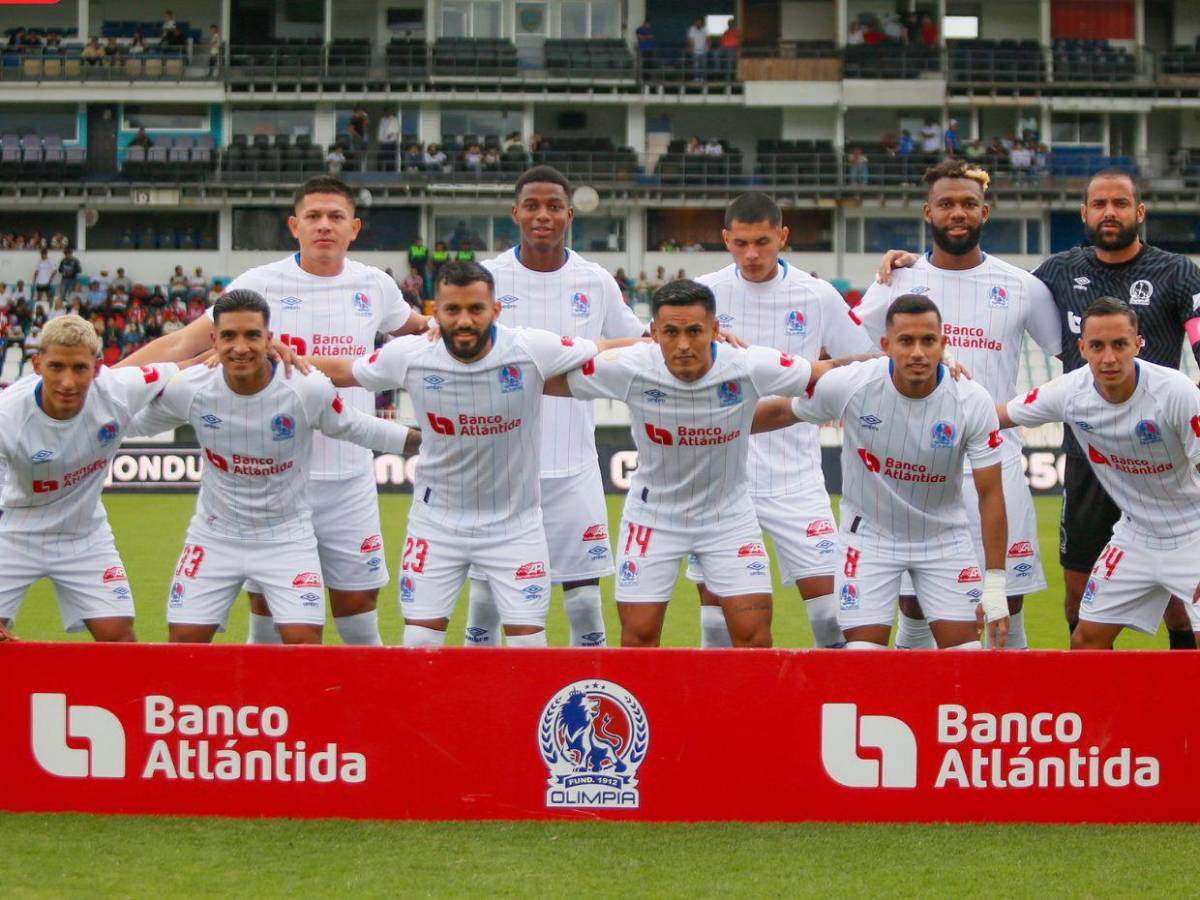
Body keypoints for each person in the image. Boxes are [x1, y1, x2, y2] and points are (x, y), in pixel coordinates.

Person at [877, 167, 1200, 648]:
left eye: (1120, 204)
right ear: (1084, 213)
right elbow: (986, 304)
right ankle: (1087, 714)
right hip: (1093, 455)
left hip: (1169, 454)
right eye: (1099, 204)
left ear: (1140, 211)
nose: (1110, 213)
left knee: (1181, 605)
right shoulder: (1055, 274)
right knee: (1076, 598)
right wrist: (915, 266)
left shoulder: (1177, 274)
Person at [117, 175, 430, 647]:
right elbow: (184, 341)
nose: (324, 226)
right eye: (313, 216)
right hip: (274, 484)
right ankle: (267, 713)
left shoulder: (376, 286)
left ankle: (362, 715)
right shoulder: (259, 284)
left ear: (354, 227)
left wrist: (462, 328)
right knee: (266, 605)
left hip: (347, 476)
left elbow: (419, 331)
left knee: (358, 606)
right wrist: (101, 383)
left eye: (336, 217)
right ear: (294, 225)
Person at [311, 261, 615, 648]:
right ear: (434, 312)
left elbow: (604, 349)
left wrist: (666, 348)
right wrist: (271, 356)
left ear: (496, 311)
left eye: (476, 309)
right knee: (419, 642)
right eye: (453, 310)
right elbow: (341, 370)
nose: (465, 320)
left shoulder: (529, 347)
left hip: (515, 526)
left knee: (527, 648)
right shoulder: (410, 354)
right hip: (437, 525)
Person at [550, 279, 850, 648]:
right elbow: (544, 378)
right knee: (637, 639)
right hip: (653, 517)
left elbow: (829, 371)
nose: (683, 345)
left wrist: (893, 367)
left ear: (715, 330)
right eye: (671, 333)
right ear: (654, 333)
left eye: (695, 331)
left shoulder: (748, 364)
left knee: (754, 639)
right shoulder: (629, 366)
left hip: (728, 518)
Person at [129, 290, 416, 645]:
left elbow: (358, 426)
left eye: (252, 335)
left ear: (269, 339)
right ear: (213, 339)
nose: (241, 347)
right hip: (215, 536)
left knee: (303, 642)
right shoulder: (190, 388)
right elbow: (129, 424)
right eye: (229, 336)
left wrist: (432, 442)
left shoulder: (305, 387)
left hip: (286, 538)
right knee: (184, 640)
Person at [858, 160, 1061, 650]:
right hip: (916, 469)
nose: (957, 213)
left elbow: (1072, 363)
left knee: (1005, 603)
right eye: (946, 203)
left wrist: (1018, 412)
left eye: (968, 203)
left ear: (984, 212)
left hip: (997, 465)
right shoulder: (895, 282)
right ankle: (919, 717)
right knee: (915, 606)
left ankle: (1000, 720)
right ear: (928, 211)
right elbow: (858, 356)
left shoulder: (1022, 287)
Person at [755, 293, 1011, 649]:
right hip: (869, 540)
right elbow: (783, 412)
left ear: (944, 344)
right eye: (906, 341)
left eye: (928, 341)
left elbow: (990, 493)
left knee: (964, 661)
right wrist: (715, 430)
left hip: (944, 539)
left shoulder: (972, 400)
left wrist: (995, 583)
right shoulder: (852, 384)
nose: (918, 352)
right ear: (886, 344)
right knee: (863, 659)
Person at [462, 166, 647, 648]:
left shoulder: (596, 280)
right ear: (515, 213)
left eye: (552, 207)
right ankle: (478, 710)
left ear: (569, 213)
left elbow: (637, 343)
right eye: (532, 206)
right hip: (498, 469)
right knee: (485, 604)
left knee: (584, 603)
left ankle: (590, 693)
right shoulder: (488, 279)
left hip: (574, 469)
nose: (542, 215)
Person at [688, 193, 873, 648]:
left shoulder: (816, 293)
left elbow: (863, 360)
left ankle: (832, 711)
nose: (752, 254)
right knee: (718, 622)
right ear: (725, 239)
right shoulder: (702, 294)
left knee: (833, 616)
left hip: (796, 479)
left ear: (783, 237)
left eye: (763, 242)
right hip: (720, 480)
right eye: (742, 243)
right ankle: (727, 715)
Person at [999, 298, 1200, 649]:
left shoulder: (1175, 393)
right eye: (1097, 346)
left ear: (1138, 343)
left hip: (1193, 535)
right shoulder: (1070, 392)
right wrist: (940, 390)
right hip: (1135, 536)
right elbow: (996, 416)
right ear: (1082, 347)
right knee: (1086, 642)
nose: (1108, 358)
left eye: (1120, 344)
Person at [0, 315, 179, 641]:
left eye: (79, 368)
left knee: (119, 638)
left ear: (97, 368)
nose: (68, 381)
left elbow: (189, 364)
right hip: (14, 533)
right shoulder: (6, 416)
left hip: (84, 535)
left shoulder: (117, 387)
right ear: (37, 364)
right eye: (56, 367)